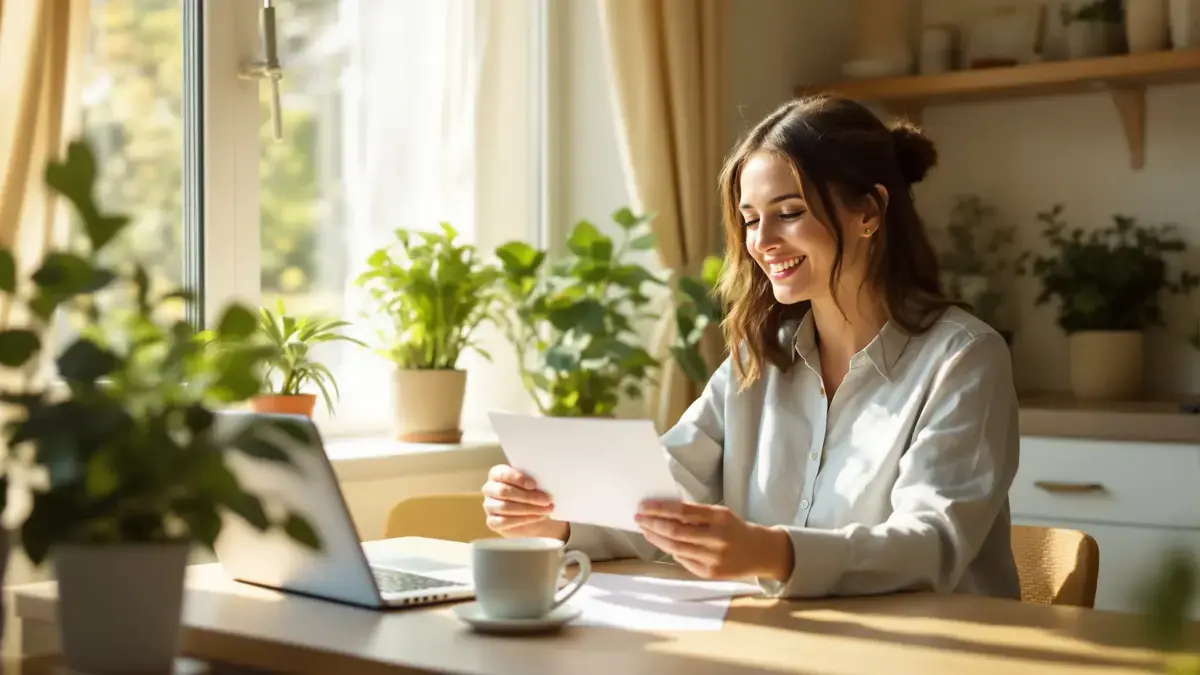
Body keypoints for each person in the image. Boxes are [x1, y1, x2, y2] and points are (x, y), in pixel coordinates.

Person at [480, 94, 1022, 600]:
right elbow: (664, 498)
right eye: (750, 219)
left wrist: (774, 553)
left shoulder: (965, 357)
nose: (761, 242)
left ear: (869, 212)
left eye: (788, 213)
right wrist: (556, 517)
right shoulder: (757, 359)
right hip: (786, 649)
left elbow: (931, 543)